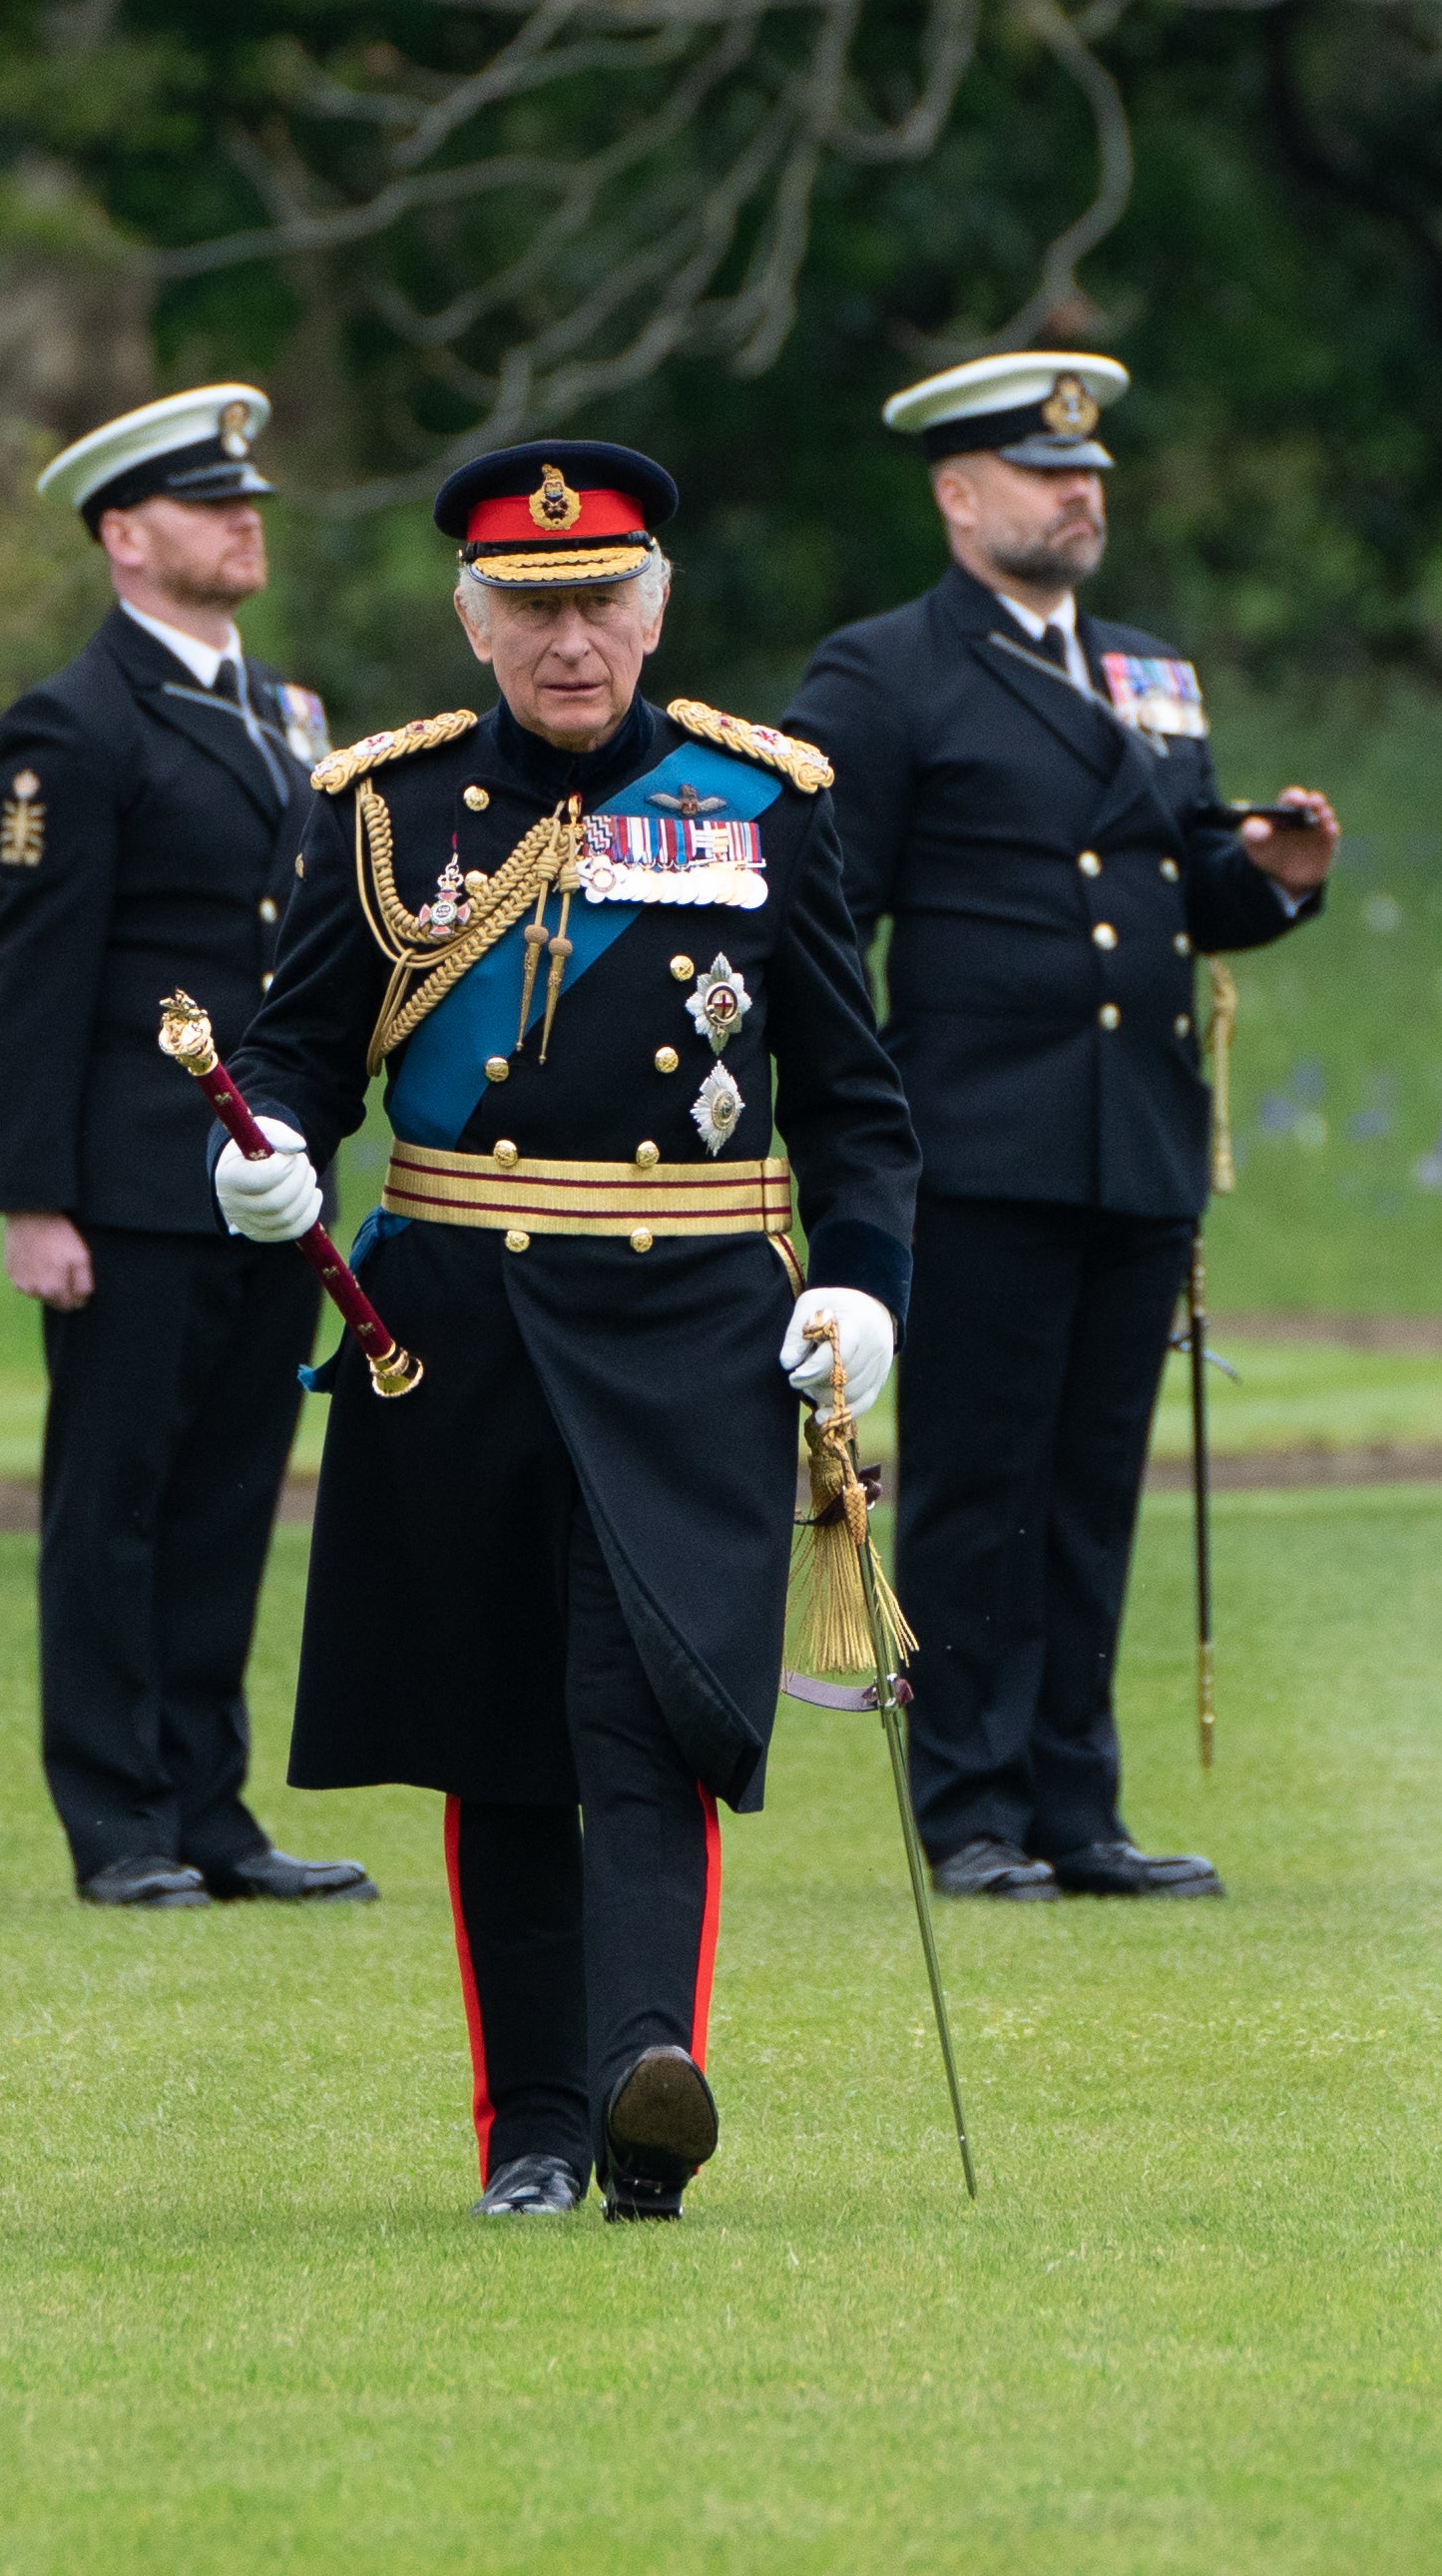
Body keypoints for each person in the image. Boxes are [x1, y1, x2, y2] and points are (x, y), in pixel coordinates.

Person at [215, 441, 918, 2218]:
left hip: (692, 1326)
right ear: (471, 617)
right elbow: (293, 1049)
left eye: (601, 599)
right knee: (500, 1733)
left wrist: (865, 1284)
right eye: (530, 607)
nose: (570, 639)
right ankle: (530, 2127)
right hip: (454, 1322)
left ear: (658, 603)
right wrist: (267, 1154)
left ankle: (638, 2091)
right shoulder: (383, 810)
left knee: (651, 1711)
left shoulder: (763, 802)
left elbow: (854, 1097)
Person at [774, 354, 1332, 1903]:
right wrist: (855, 1122)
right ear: (960, 497)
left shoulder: (1147, 672)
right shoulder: (885, 675)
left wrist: (1275, 876)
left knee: (1091, 1493)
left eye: (1088, 474)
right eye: (1042, 475)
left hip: (1129, 1142)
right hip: (979, 1143)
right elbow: (820, 916)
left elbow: (1177, 883)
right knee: (973, 1487)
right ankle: (969, 1808)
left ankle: (1079, 1807)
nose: (1080, 496)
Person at [0, 381, 378, 1910]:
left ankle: (213, 1807)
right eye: (212, 504)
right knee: (116, 1500)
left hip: (264, 1181)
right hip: (136, 1181)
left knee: (226, 1495)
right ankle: (118, 1818)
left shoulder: (283, 711)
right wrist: (36, 1198)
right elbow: (34, 972)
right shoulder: (71, 725)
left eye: (251, 501)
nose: (245, 521)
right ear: (124, 536)